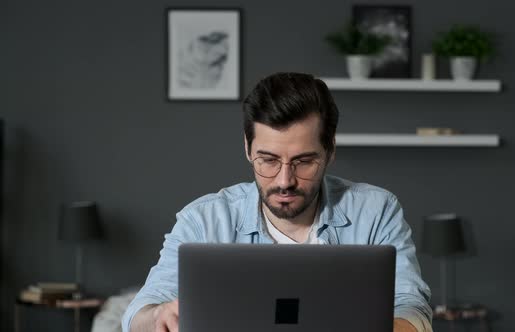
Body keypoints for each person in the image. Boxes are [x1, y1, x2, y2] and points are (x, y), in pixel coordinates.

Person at [122, 72, 433, 332]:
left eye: (304, 161)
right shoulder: (203, 219)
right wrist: (157, 316)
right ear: (247, 148)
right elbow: (138, 312)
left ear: (330, 151)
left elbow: (411, 305)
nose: (285, 180)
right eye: (268, 160)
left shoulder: (376, 211)